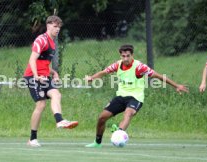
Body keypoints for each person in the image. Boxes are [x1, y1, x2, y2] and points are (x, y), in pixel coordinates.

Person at [85, 44, 189, 148]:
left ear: (132, 55)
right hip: (121, 96)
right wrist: (92, 78)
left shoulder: (139, 67)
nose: (126, 58)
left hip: (135, 97)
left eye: (128, 56)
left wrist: (176, 86)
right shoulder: (118, 65)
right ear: (120, 56)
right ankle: (97, 143)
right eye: (123, 56)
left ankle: (119, 134)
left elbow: (158, 76)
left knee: (128, 113)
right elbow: (104, 72)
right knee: (102, 118)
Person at [24, 15, 78, 147]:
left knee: (56, 94)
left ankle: (59, 121)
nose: (57, 29)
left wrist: (54, 73)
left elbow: (44, 63)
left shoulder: (53, 43)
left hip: (44, 76)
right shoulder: (41, 40)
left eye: (59, 26)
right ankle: (32, 139)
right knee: (41, 105)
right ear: (48, 26)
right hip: (33, 76)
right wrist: (36, 76)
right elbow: (32, 60)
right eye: (55, 26)